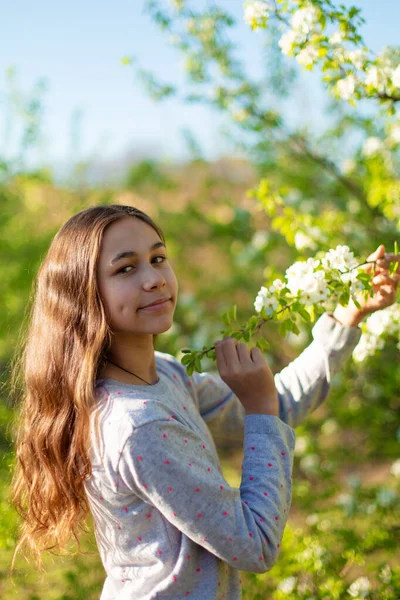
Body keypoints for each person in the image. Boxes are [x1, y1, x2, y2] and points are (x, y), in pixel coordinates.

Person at [9, 204, 400, 600]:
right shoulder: (138, 426)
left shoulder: (165, 375)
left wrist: (347, 317)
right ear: (83, 293)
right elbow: (255, 543)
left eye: (158, 258)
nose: (154, 279)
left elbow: (279, 405)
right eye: (125, 269)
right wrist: (261, 408)